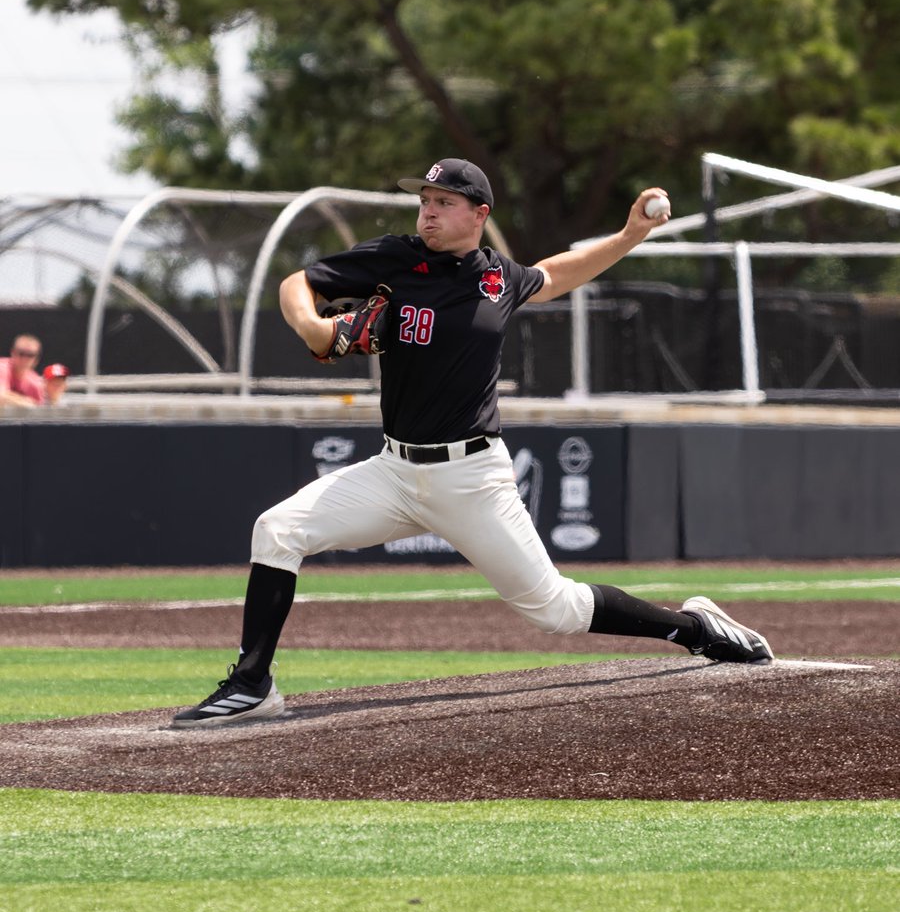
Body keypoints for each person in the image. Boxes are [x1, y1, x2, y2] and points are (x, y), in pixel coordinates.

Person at [174, 159, 773, 728]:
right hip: (394, 472)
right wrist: (313, 326)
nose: (427, 214)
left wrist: (628, 234)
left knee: (556, 611)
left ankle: (697, 628)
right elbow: (297, 282)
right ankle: (253, 685)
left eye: (443, 203)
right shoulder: (396, 259)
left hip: (472, 480)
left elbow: (560, 271)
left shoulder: (498, 278)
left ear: (478, 212)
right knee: (277, 529)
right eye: (424, 202)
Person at [0, 334, 46, 407]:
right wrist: (26, 402)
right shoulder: (2, 367)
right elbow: (1, 397)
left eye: (30, 355)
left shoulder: (35, 383)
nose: (25, 359)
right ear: (12, 353)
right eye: (21, 353)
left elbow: (39, 409)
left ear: (36, 359)